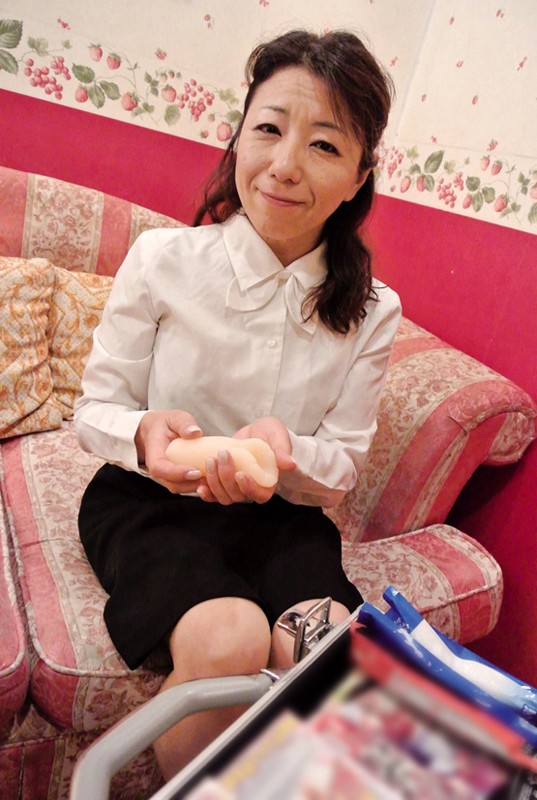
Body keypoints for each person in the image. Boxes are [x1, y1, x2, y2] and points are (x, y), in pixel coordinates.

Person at [75, 28, 401, 780]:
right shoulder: (163, 259)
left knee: (333, 653)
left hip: (280, 517)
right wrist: (145, 433)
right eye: (268, 129)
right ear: (238, 137)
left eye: (324, 145)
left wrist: (288, 454)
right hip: (148, 500)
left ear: (358, 177)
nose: (285, 165)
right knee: (230, 638)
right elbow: (95, 410)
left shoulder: (373, 309)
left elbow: (342, 468)